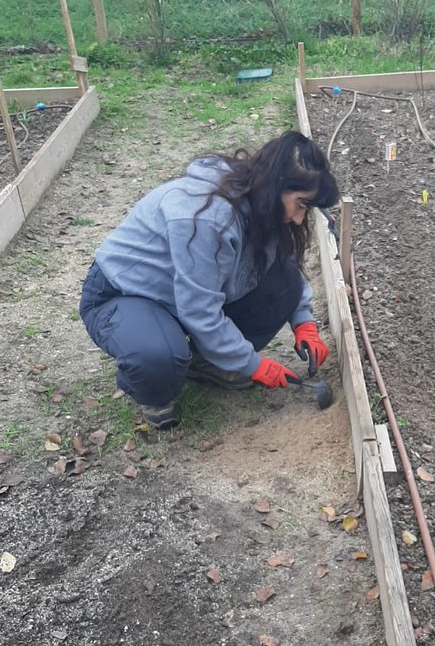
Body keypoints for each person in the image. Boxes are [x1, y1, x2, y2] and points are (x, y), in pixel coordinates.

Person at [79, 130, 338, 429]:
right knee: (157, 356)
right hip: (125, 294)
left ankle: (207, 363)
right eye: (301, 204)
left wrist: (303, 321)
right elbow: (200, 310)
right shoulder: (206, 217)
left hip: (180, 298)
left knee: (285, 286)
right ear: (275, 185)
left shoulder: (261, 206)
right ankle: (154, 386)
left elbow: (285, 267)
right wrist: (253, 364)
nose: (297, 219)